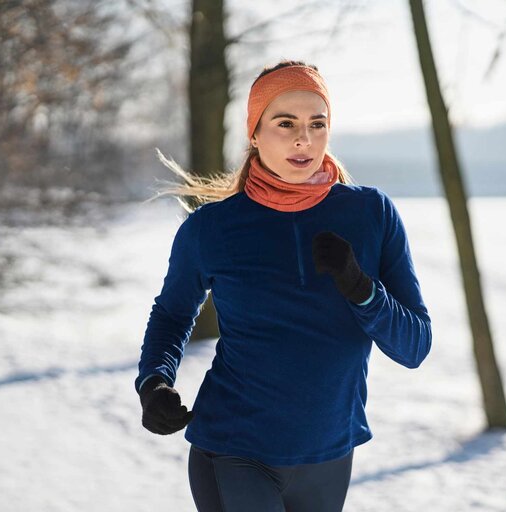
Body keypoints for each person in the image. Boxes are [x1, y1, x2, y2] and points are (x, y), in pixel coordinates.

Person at [135, 59, 432, 512]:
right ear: (254, 133)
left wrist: (361, 288)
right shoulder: (212, 228)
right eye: (285, 122)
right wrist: (154, 382)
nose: (303, 139)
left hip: (330, 455)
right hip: (235, 448)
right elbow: (173, 314)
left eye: (318, 123)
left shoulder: (372, 215)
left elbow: (414, 347)